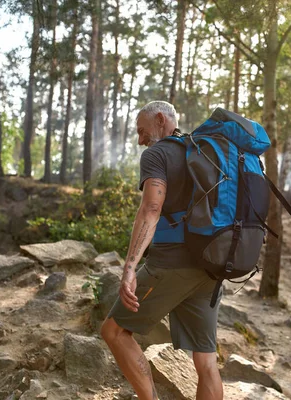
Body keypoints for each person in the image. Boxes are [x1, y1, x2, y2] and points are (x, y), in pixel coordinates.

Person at [101, 101, 224, 400]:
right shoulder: (205, 153)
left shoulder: (157, 154)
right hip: (212, 266)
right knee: (206, 360)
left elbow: (152, 208)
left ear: (160, 119)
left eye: (142, 131)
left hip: (172, 264)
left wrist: (130, 266)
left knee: (113, 332)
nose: (140, 140)